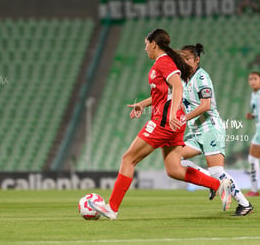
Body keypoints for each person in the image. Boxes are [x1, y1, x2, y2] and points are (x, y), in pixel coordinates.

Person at [88, 28, 232, 220]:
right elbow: (165, 92)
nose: (145, 48)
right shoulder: (164, 62)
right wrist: (143, 104)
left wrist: (172, 113)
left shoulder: (164, 61)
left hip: (163, 122)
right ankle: (218, 185)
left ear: (153, 44)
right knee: (174, 169)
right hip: (172, 123)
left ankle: (112, 208)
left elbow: (178, 86)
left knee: (128, 159)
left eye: (146, 44)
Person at [178, 43, 253, 216]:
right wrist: (143, 104)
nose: (184, 62)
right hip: (196, 131)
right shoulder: (182, 79)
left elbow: (206, 105)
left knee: (217, 171)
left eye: (187, 59)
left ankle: (245, 204)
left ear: (197, 60)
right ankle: (211, 182)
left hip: (210, 127)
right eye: (181, 59)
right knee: (176, 158)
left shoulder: (202, 78)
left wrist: (184, 118)